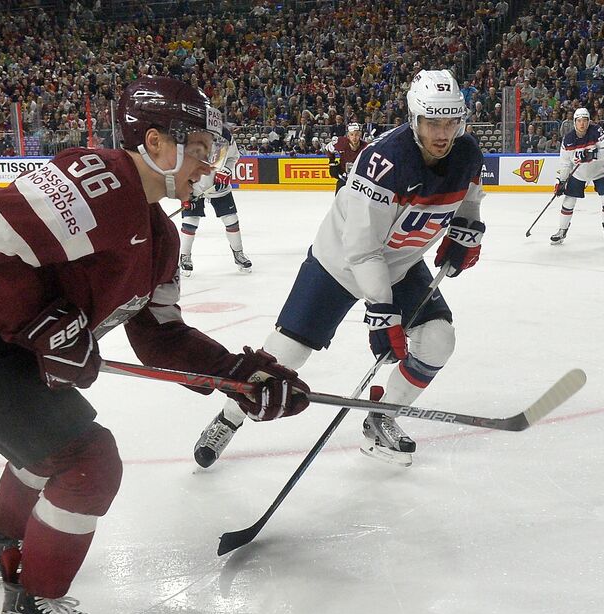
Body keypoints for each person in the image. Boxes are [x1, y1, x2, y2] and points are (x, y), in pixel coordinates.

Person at [0, 77, 310, 614]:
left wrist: (242, 375)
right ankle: (33, 611)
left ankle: (1, 546)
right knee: (87, 461)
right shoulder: (99, 181)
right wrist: (46, 323)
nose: (208, 163)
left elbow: (160, 337)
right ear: (157, 144)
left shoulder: (160, 237)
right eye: (199, 147)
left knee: (52, 446)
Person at [193, 69, 485, 469]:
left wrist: (468, 226)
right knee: (281, 359)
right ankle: (229, 418)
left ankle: (382, 417)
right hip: (338, 265)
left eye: (451, 121)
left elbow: (470, 192)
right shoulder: (384, 161)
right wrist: (382, 314)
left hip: (400, 266)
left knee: (438, 340)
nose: (442, 132)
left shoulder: (467, 152)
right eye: (432, 121)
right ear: (414, 119)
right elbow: (362, 251)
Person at [180, 124, 252, 276]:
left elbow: (233, 157)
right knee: (190, 221)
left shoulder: (225, 136)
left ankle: (238, 254)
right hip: (194, 185)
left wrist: (225, 171)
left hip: (219, 186)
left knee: (231, 219)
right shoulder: (188, 136)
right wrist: (183, 191)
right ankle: (184, 256)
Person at [550, 106, 604, 245]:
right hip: (579, 174)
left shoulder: (597, 132)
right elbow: (565, 163)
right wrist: (561, 181)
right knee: (568, 201)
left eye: (585, 120)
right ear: (574, 122)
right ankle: (562, 230)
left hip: (601, 172)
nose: (582, 124)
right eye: (579, 120)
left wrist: (594, 154)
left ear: (589, 122)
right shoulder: (568, 139)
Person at [328, 121, 368, 192]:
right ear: (348, 135)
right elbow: (328, 148)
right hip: (344, 177)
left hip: (359, 180)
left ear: (360, 135)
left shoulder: (365, 147)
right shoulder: (341, 142)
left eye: (357, 134)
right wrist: (332, 163)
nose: (354, 137)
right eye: (352, 135)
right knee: (339, 199)